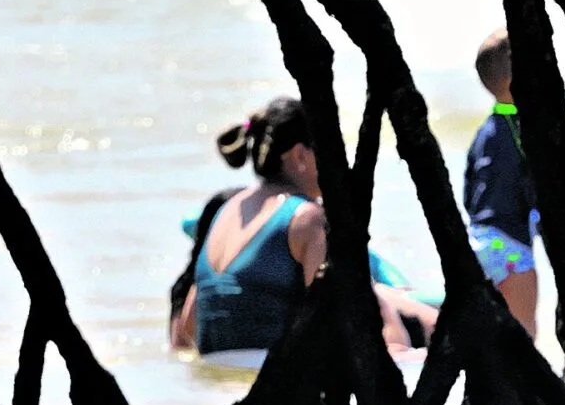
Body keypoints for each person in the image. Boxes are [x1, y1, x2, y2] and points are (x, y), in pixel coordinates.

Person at [168, 97, 436, 361]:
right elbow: (353, 312)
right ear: (300, 155)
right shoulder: (307, 218)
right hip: (278, 376)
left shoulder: (224, 211)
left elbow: (189, 324)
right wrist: (398, 349)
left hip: (217, 368)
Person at [464, 29, 539, 335]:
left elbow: (469, 190)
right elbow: (532, 189)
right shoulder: (520, 129)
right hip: (510, 249)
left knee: (492, 339)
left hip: (480, 240)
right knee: (525, 338)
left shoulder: (485, 131)